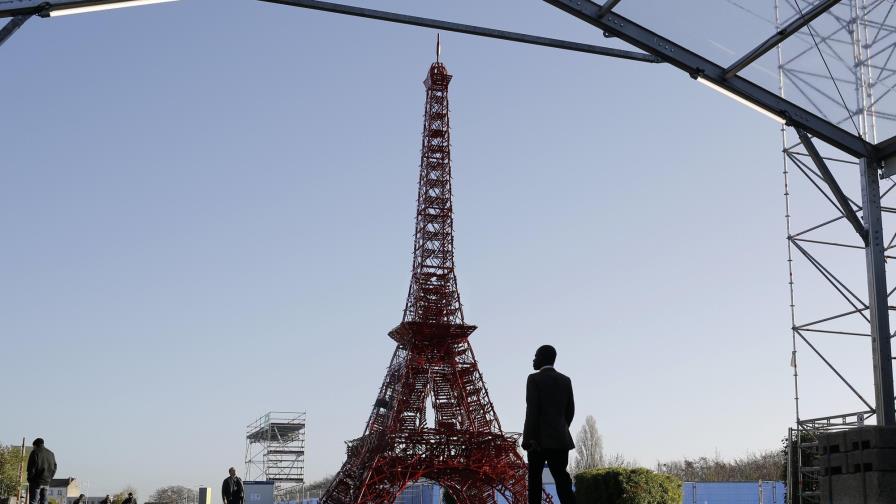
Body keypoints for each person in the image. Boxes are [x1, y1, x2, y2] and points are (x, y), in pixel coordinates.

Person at [522, 345, 576, 504]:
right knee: (563, 482)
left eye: (536, 356)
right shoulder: (566, 380)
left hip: (537, 441)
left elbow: (532, 411)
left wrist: (527, 439)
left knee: (535, 483)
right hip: (560, 439)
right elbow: (570, 410)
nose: (533, 359)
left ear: (542, 358)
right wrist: (561, 428)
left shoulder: (533, 379)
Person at [26, 438, 57, 504]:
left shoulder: (35, 452)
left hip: (36, 482)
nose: (33, 448)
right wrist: (50, 478)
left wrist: (30, 479)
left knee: (34, 501)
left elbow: (31, 468)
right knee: (44, 501)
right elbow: (55, 467)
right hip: (47, 482)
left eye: (33, 446)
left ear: (35, 445)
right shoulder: (51, 453)